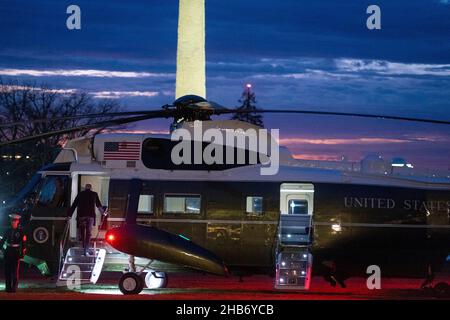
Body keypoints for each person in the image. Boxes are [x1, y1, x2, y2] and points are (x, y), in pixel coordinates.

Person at [68, 184, 103, 256]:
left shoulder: (80, 194)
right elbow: (98, 205)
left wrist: (69, 215)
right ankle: (86, 249)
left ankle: (84, 248)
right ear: (91, 188)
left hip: (81, 216)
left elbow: (74, 204)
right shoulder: (94, 194)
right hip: (90, 216)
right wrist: (103, 213)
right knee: (88, 233)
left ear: (85, 188)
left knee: (82, 232)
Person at [0, 214, 27, 293]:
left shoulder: (21, 231)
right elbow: (3, 240)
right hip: (8, 251)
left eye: (15, 221)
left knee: (15, 271)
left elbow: (23, 243)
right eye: (12, 220)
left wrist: (22, 253)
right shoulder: (7, 230)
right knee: (7, 271)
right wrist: (0, 248)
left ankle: (14, 287)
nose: (13, 222)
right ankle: (8, 288)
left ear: (18, 222)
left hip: (16, 252)